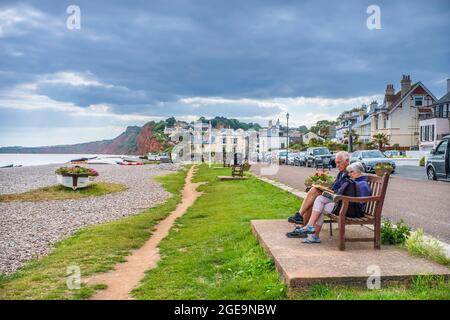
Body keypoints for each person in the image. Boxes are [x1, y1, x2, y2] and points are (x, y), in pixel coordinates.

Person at [295, 162, 372, 244]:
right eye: (348, 172)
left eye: (351, 172)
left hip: (352, 211)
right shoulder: (355, 182)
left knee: (320, 203)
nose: (349, 174)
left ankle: (313, 233)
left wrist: (340, 198)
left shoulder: (362, 184)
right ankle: (312, 232)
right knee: (320, 200)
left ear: (358, 172)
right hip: (346, 206)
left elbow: (361, 202)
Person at [286, 151, 350, 238]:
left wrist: (326, 190)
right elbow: (334, 187)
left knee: (315, 192)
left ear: (347, 161)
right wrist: (325, 187)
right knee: (313, 198)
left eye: (339, 162)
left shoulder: (350, 173)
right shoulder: (341, 173)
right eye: (336, 163)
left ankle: (300, 216)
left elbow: (342, 191)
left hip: (341, 202)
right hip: (335, 198)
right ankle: (302, 227)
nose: (337, 165)